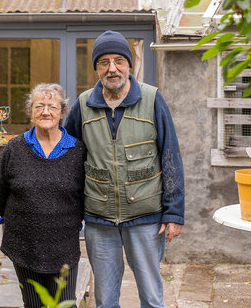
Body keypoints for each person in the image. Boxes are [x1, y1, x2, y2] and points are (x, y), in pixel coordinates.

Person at [65, 30, 185, 308]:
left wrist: (174, 212)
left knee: (152, 298)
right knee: (105, 301)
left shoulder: (152, 99)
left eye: (119, 60)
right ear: (96, 68)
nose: (112, 68)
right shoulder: (83, 105)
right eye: (104, 62)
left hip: (146, 217)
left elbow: (171, 156)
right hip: (99, 219)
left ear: (129, 65)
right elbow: (64, 154)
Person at [0, 83, 85, 308]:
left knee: (66, 305)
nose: (45, 112)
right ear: (31, 111)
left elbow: (86, 196)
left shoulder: (77, 151)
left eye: (52, 106)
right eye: (39, 106)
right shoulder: (15, 148)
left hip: (64, 247)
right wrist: (21, 219)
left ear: (62, 112)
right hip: (25, 245)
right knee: (33, 305)